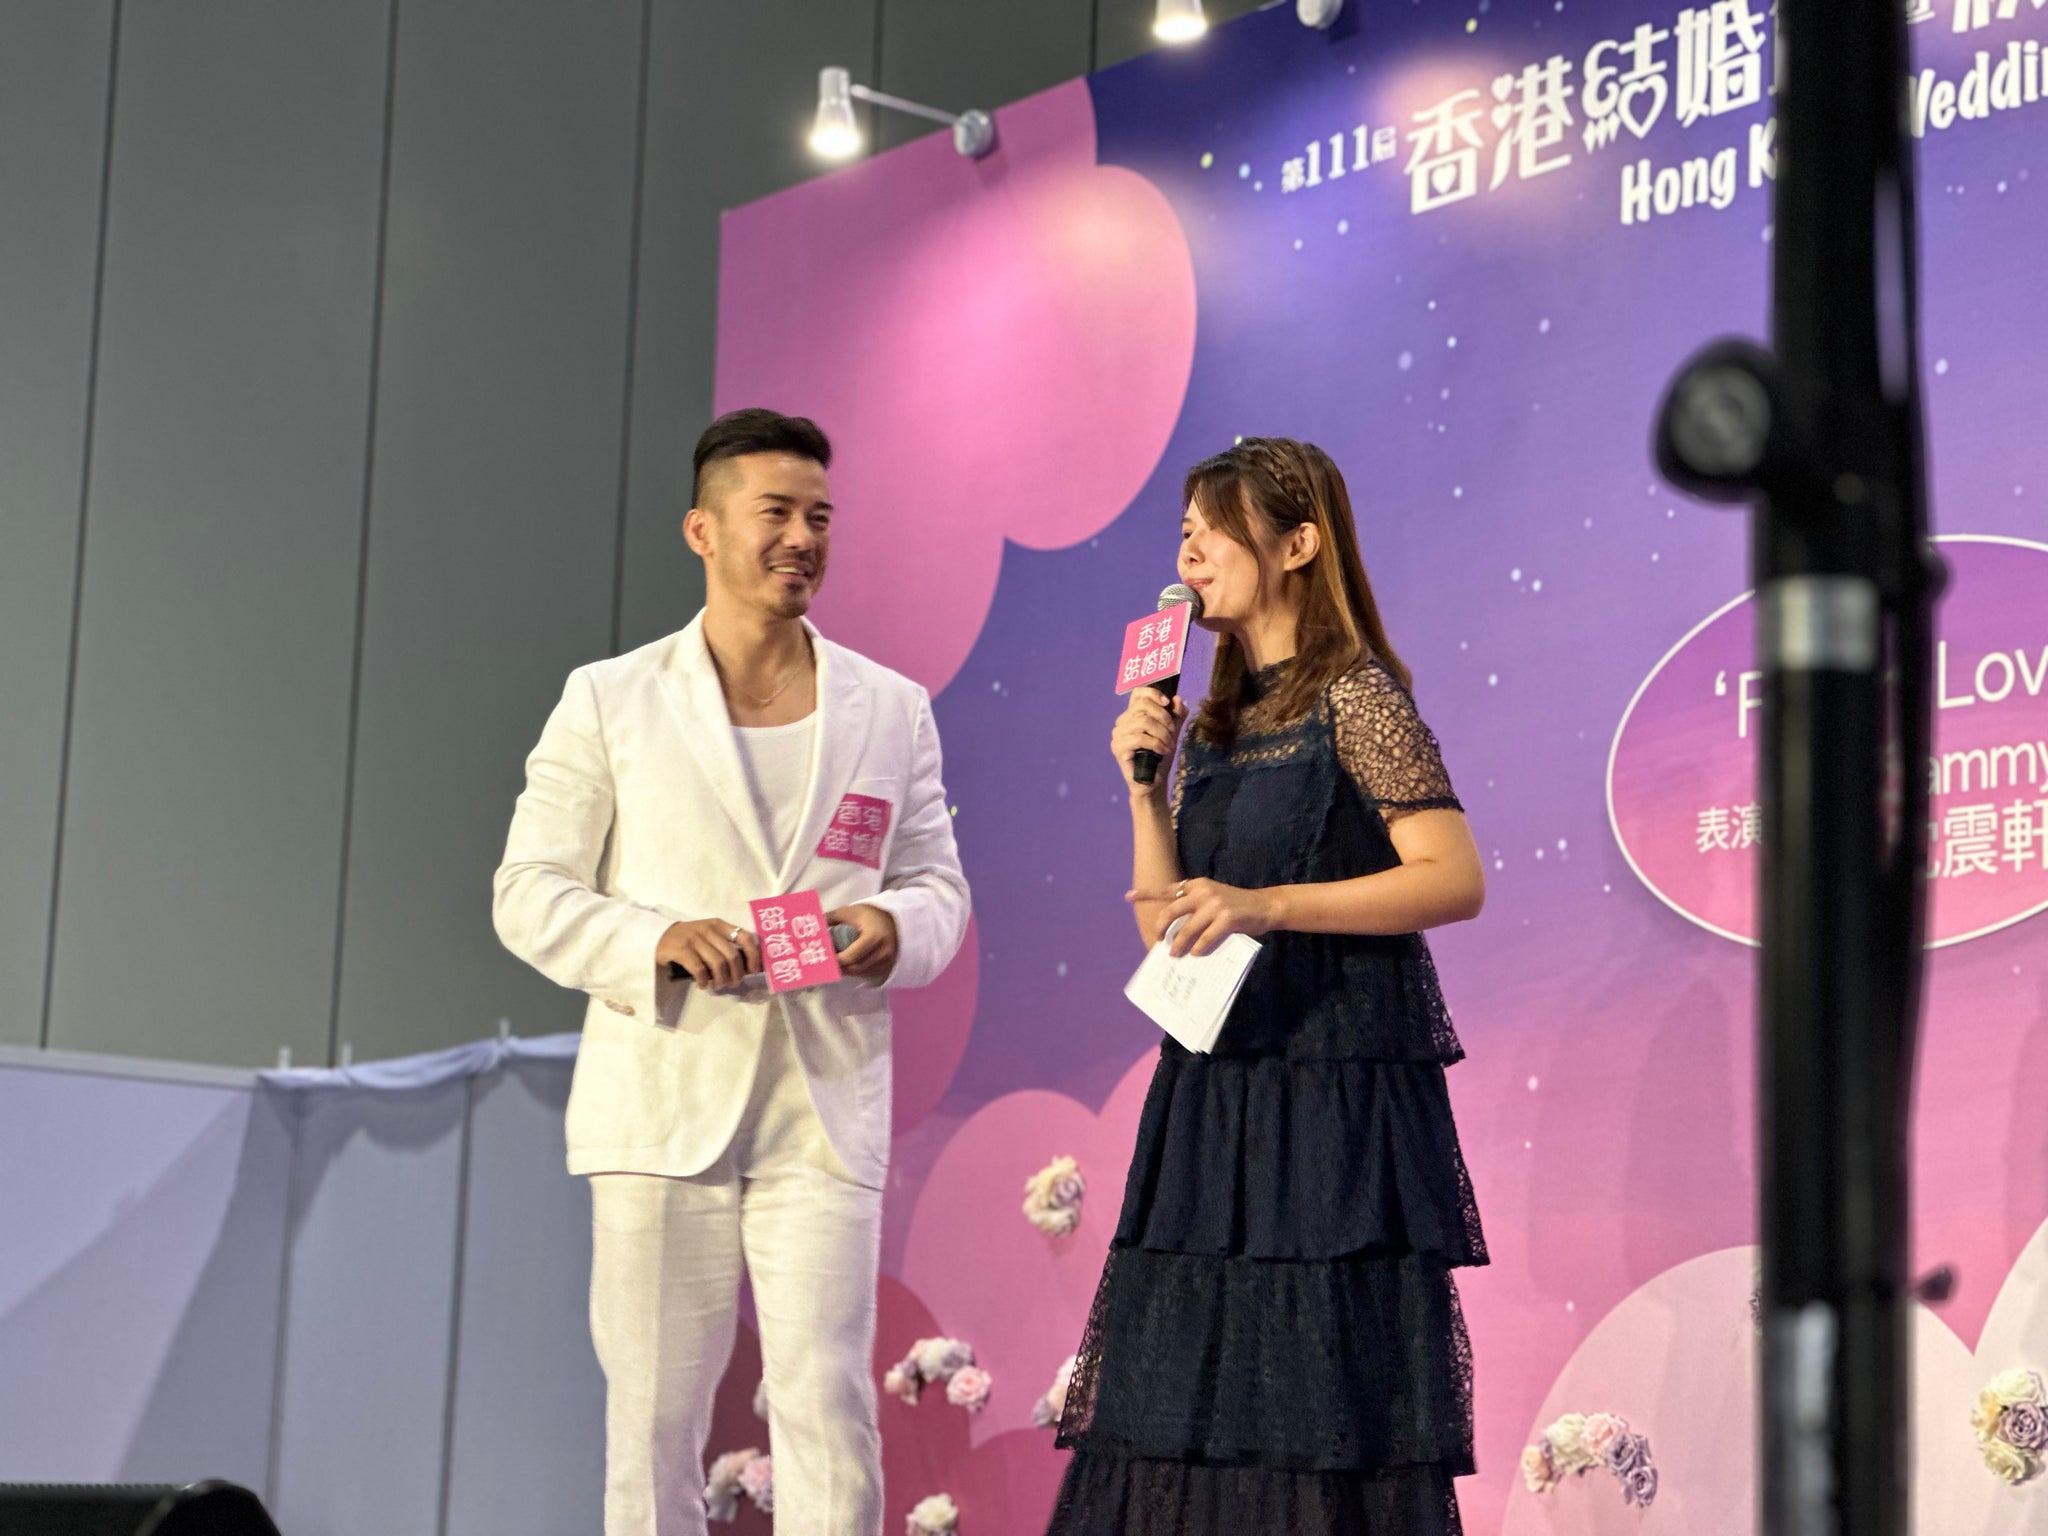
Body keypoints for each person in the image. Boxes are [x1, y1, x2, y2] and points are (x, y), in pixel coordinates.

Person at [493, 408, 970, 1536]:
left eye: (821, 517)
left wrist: (891, 924)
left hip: (822, 1103)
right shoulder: (610, 697)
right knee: (655, 1418)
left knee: (828, 1404)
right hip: (664, 1104)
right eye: (776, 513)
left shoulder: (890, 707)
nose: (802, 537)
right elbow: (527, 889)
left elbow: (939, 890)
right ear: (702, 530)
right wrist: (652, 941)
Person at [1048, 437, 1489, 1535]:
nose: (1188, 556)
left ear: (1297, 545)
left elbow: (1452, 877)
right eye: (1183, 535)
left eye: (1213, 531)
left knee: (1318, 1403)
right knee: (1188, 1406)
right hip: (1215, 1104)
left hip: (1331, 1096)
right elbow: (1163, 926)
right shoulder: (1211, 728)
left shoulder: (1357, 698)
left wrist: (1269, 905)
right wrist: (1143, 790)